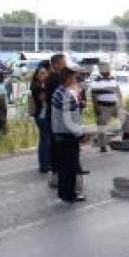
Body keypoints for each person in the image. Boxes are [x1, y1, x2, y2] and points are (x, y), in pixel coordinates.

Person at [51, 67, 86, 203]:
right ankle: (70, 194)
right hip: (68, 135)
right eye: (74, 78)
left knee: (63, 166)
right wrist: (80, 134)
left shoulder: (58, 92)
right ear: (68, 79)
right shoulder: (66, 95)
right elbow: (70, 120)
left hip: (59, 133)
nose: (75, 81)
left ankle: (63, 192)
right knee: (70, 166)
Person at [91, 62, 129, 152]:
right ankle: (102, 146)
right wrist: (96, 108)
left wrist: (121, 104)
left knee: (126, 116)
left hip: (115, 105)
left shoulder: (113, 80)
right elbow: (94, 96)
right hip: (103, 106)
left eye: (108, 68)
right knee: (101, 126)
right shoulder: (96, 81)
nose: (108, 70)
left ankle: (126, 134)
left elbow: (118, 93)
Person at [45, 54, 67, 178]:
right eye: (63, 62)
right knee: (56, 143)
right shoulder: (53, 79)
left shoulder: (58, 78)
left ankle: (58, 168)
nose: (65, 65)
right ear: (56, 64)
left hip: (58, 115)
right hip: (55, 115)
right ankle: (55, 169)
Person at [30, 61, 52, 173]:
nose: (44, 75)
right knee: (45, 140)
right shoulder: (37, 87)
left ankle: (46, 162)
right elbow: (43, 99)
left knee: (45, 139)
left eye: (45, 73)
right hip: (42, 115)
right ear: (37, 75)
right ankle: (44, 164)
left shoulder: (41, 85)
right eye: (41, 73)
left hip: (42, 114)